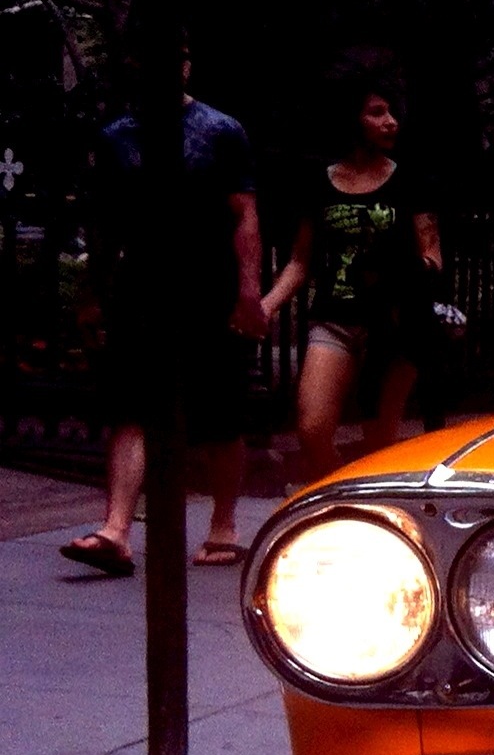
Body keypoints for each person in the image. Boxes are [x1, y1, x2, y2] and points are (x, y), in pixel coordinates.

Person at [60, 53, 267, 575]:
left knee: (220, 410)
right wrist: (94, 293)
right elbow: (105, 224)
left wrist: (249, 293)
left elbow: (244, 214)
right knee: (132, 406)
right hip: (143, 285)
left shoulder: (221, 130)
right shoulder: (118, 137)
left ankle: (224, 525)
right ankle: (116, 530)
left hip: (210, 282)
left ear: (187, 64)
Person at [259, 71, 441, 485]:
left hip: (392, 326)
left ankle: (370, 506)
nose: (390, 122)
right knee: (312, 429)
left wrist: (402, 270)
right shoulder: (320, 184)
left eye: (393, 113)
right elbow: (300, 262)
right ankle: (343, 492)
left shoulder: (410, 181)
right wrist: (266, 306)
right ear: (351, 119)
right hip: (335, 318)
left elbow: (432, 256)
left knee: (379, 438)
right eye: (377, 112)